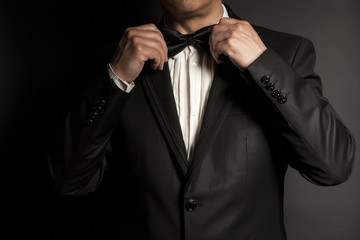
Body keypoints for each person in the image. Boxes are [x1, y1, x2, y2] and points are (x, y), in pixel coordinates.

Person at [48, 0, 356, 239]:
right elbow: (69, 181)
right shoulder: (114, 60)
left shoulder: (286, 53)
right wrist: (116, 79)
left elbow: (332, 166)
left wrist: (261, 64)